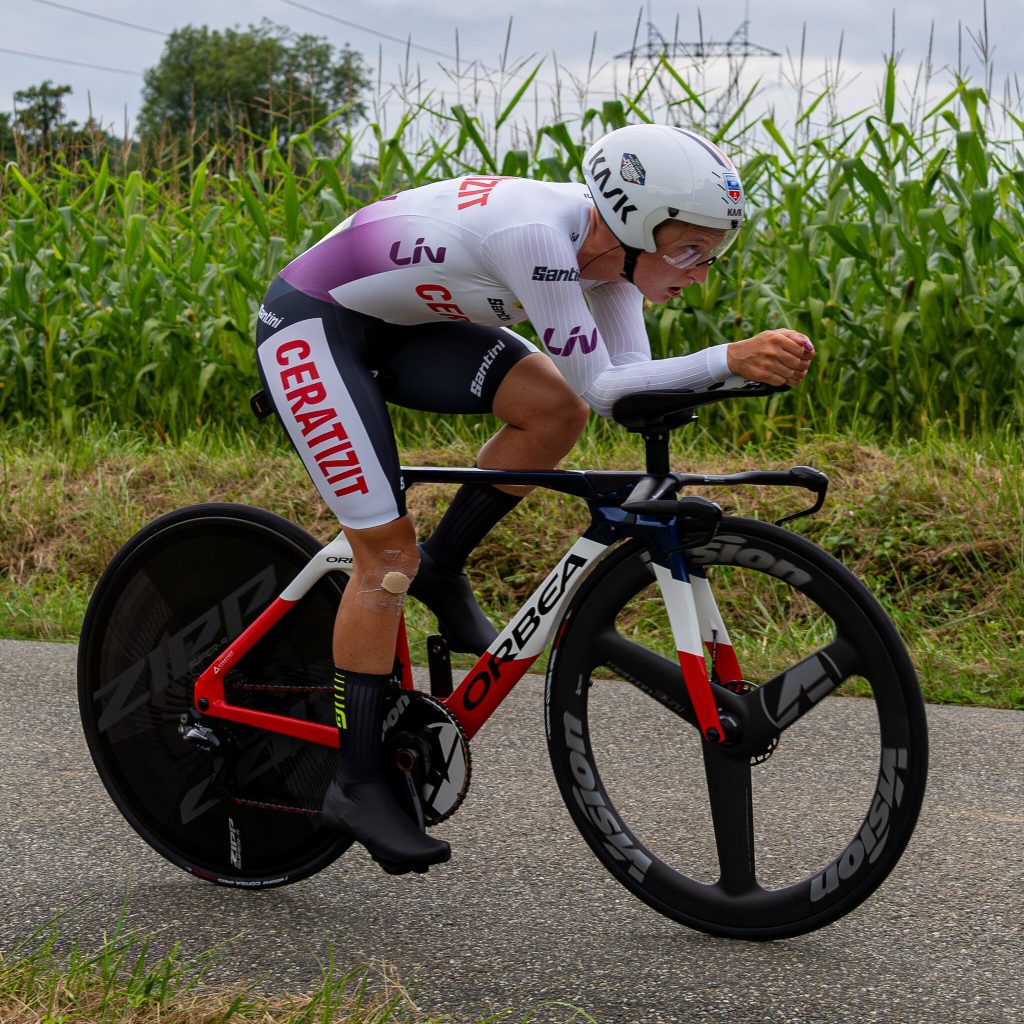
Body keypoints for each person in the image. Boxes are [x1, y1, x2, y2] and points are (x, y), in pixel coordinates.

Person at [254, 123, 814, 874]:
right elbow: (609, 383)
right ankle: (355, 781)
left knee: (557, 412)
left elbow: (624, 388)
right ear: (634, 225)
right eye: (690, 251)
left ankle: (444, 566)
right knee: (384, 554)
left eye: (713, 256)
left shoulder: (610, 266)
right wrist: (728, 358)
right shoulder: (537, 237)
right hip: (314, 322)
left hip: (407, 325)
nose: (701, 273)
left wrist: (735, 376)